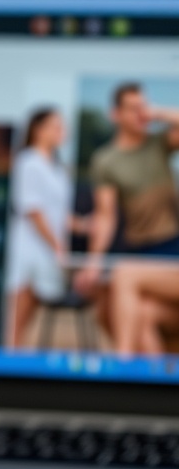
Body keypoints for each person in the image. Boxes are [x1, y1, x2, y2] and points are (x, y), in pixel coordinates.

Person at [74, 83, 179, 356]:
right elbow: (106, 216)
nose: (140, 114)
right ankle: (155, 390)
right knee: (138, 317)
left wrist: (156, 113)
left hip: (172, 252)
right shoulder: (106, 161)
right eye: (133, 108)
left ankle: (121, 369)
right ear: (115, 114)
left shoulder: (159, 144)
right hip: (141, 252)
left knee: (123, 274)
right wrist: (93, 262)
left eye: (143, 106)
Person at [5, 108, 82, 348]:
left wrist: (87, 226)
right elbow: (33, 210)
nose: (61, 132)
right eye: (55, 126)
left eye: (62, 126)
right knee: (17, 320)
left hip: (49, 251)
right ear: (38, 130)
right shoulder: (28, 162)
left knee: (33, 321)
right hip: (30, 249)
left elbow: (59, 214)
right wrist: (57, 245)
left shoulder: (58, 168)